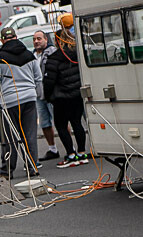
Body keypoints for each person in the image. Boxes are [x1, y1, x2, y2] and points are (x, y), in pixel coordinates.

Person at [0, 27, 43, 176]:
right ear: (16, 37)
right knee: (29, 135)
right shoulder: (29, 55)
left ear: (2, 40)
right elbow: (38, 77)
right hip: (29, 98)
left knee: (10, 138)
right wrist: (38, 95)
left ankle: (7, 170)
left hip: (9, 101)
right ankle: (32, 167)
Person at [44, 28, 89, 168]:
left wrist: (48, 96)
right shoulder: (78, 54)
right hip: (76, 94)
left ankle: (70, 155)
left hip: (61, 97)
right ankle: (82, 153)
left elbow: (49, 81)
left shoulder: (54, 58)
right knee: (77, 123)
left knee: (62, 125)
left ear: (57, 41)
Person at [33, 30, 60, 162]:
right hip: (39, 95)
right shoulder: (32, 56)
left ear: (45, 39)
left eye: (39, 38)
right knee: (44, 123)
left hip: (52, 94)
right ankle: (53, 149)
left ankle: (70, 148)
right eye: (34, 39)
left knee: (59, 120)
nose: (36, 41)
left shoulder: (52, 52)